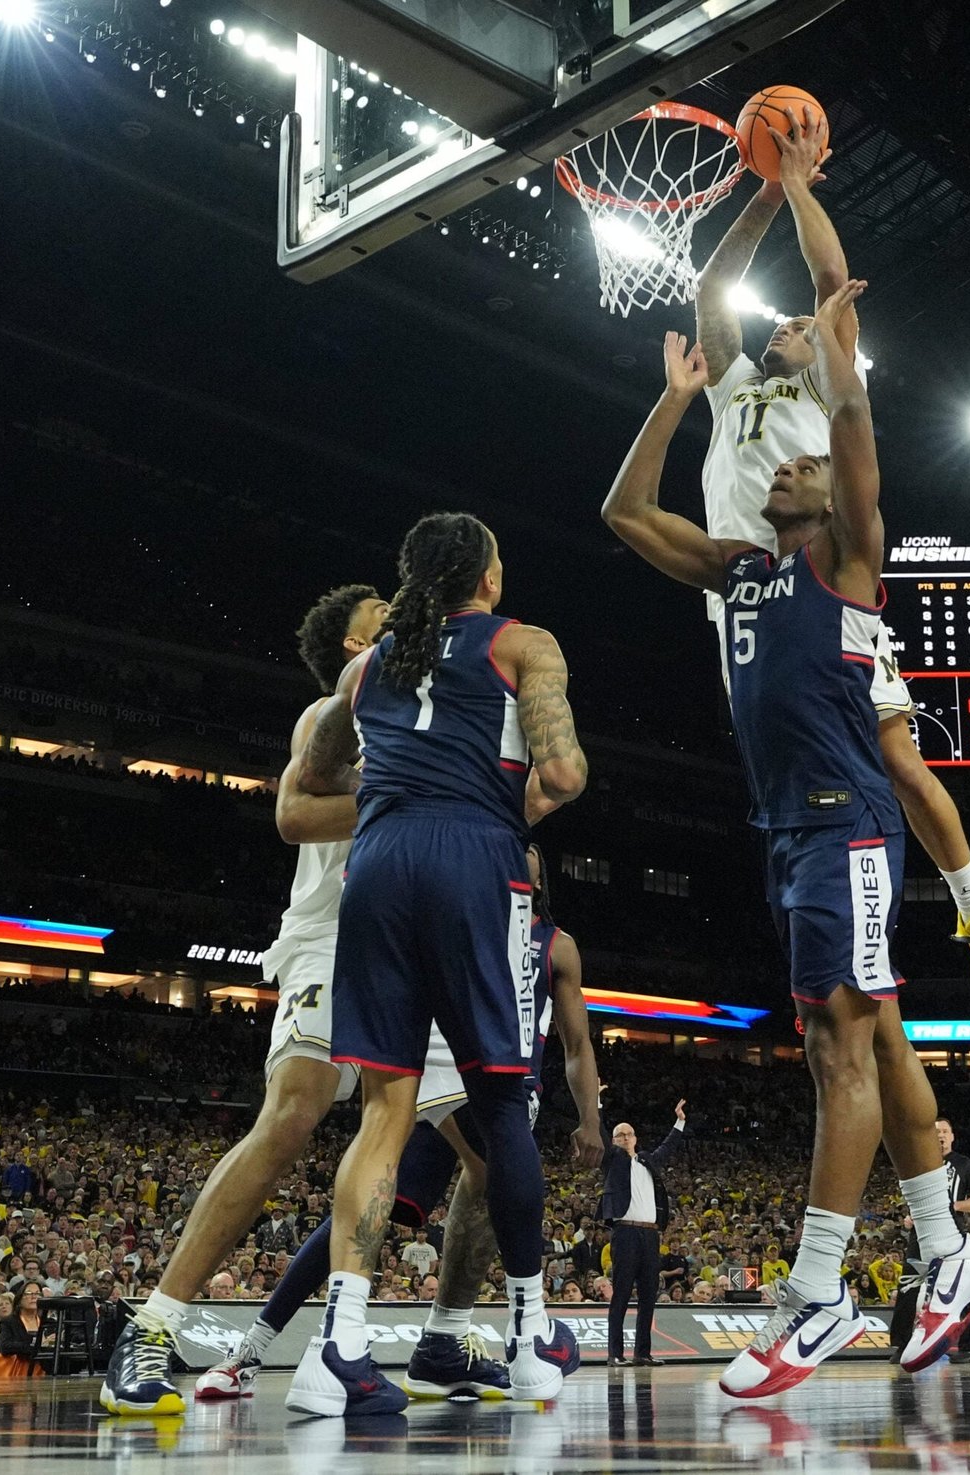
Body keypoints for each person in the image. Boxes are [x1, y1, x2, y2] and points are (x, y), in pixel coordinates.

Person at [602, 291, 970, 1399]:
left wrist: (831, 341)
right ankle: (948, 1249)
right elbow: (624, 511)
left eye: (805, 466)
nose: (786, 467)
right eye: (782, 464)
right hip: (788, 830)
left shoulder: (848, 562)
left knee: (838, 1047)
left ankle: (819, 1289)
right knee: (878, 1040)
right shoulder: (743, 568)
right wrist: (674, 400)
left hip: (846, 823)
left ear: (836, 497)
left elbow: (854, 417)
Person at [102, 582, 489, 1416]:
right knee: (292, 1116)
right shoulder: (330, 714)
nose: (400, 616)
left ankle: (429, 1338)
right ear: (355, 648)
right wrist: (405, 794)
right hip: (335, 936)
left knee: (495, 1154)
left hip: (418, 942)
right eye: (381, 616)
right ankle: (152, 1325)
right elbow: (291, 815)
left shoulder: (436, 708)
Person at [690, 105, 970, 1013]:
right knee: (788, 773)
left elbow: (831, 280)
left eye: (804, 325)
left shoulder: (826, 382)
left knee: (896, 756)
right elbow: (713, 285)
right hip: (744, 599)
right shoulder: (733, 389)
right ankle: (842, 953)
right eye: (786, 323)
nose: (787, 326)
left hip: (820, 579)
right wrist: (764, 192)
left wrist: (798, 183)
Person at [289, 511, 589, 1417]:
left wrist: (401, 786)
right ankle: (529, 1338)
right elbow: (564, 773)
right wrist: (493, 807)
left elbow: (315, 776)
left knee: (385, 1108)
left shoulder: (366, 666)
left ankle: (336, 1349)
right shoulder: (525, 644)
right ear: (488, 579)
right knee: (500, 1102)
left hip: (378, 863)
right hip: (472, 858)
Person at [195, 840, 602, 1404]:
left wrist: (590, 1118)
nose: (514, 851)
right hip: (452, 1065)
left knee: (395, 1201)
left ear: (538, 878)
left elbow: (578, 1045)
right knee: (479, 1178)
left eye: (526, 849)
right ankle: (503, 1334)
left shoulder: (558, 945)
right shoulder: (465, 906)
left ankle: (424, 1344)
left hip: (508, 1087)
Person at [888, 1116, 970, 1365]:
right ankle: (903, 1345)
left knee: (955, 1289)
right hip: (920, 1232)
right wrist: (910, 1216)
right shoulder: (919, 1163)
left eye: (945, 1131)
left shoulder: (963, 1164)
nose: (940, 1135)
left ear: (952, 1136)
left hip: (950, 1232)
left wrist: (953, 1206)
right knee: (908, 1286)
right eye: (936, 1132)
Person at [601, 1101, 688, 1367]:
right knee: (621, 1294)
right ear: (614, 1141)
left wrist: (680, 1121)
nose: (625, 1138)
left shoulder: (647, 1161)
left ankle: (642, 1353)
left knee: (649, 1294)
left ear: (636, 1138)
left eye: (629, 1134)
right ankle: (615, 1353)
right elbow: (600, 1135)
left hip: (650, 1235)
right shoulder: (613, 1161)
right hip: (625, 1232)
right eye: (620, 1135)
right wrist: (597, 1105)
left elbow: (667, 1147)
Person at [0, 1281, 52, 1358]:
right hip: (21, 1363)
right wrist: (36, 1344)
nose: (34, 1297)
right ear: (19, 1299)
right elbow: (5, 1347)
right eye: (29, 1293)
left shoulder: (49, 1322)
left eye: (37, 1293)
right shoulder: (9, 1322)